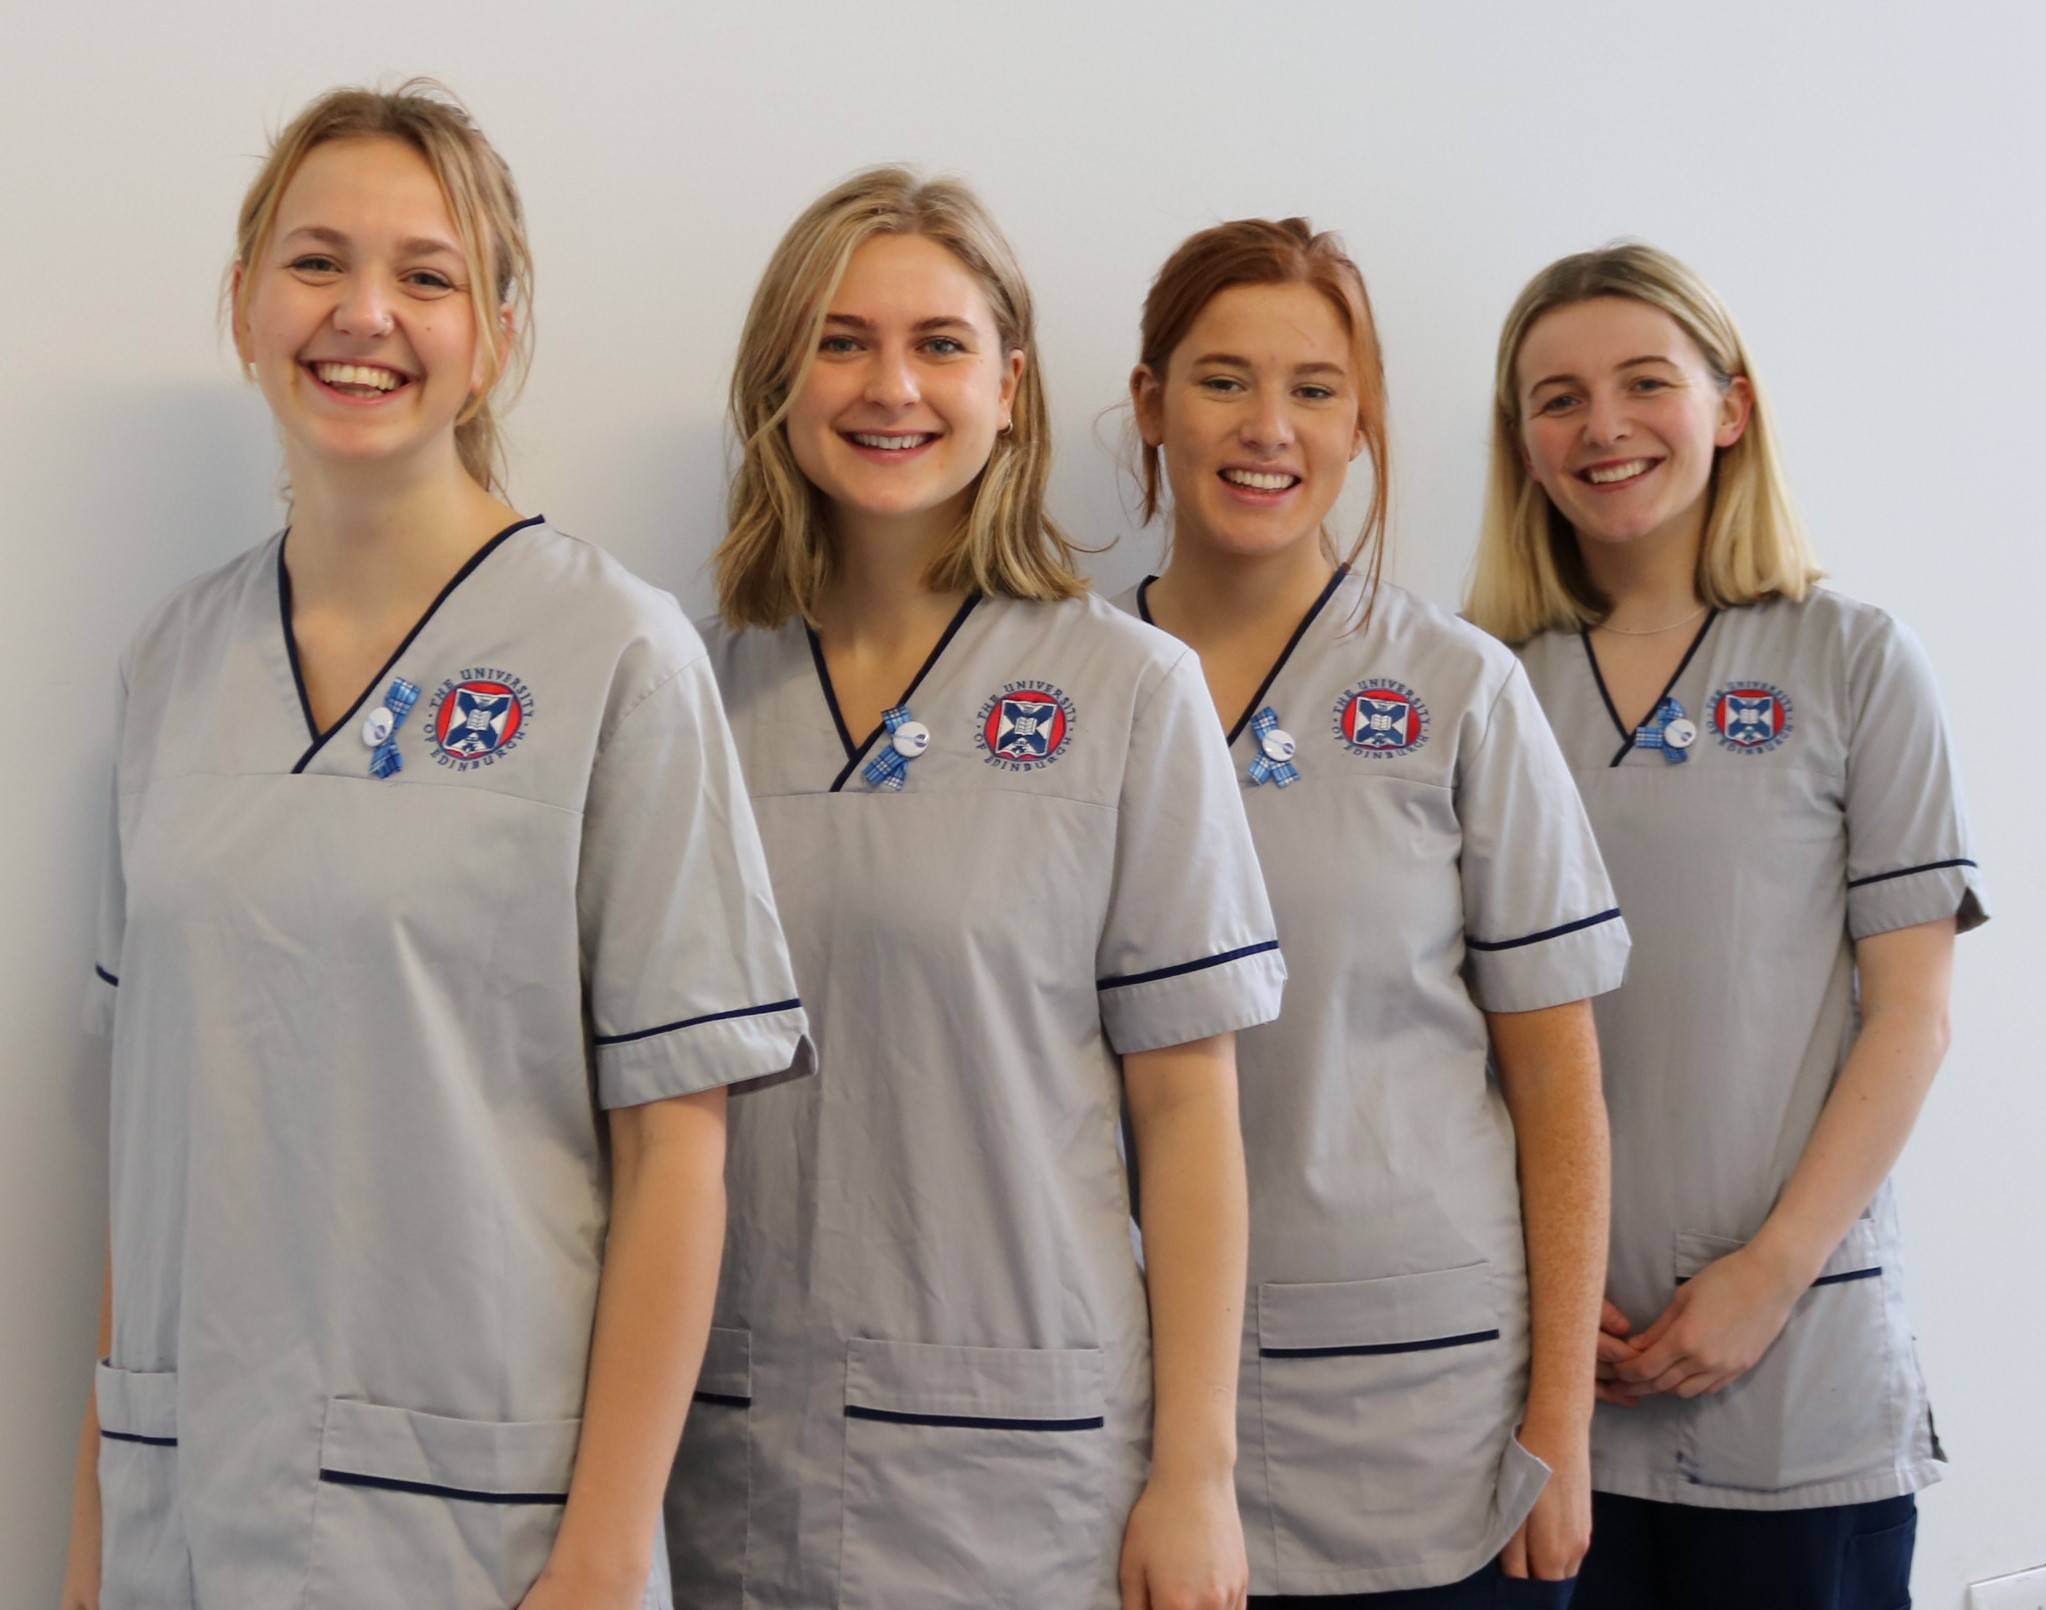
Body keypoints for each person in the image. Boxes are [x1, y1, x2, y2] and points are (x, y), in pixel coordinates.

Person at [61, 81, 809, 1610]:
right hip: (183, 1516)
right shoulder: (172, 665)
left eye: (427, 274)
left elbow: (679, 1148)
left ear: (499, 334)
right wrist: (91, 1534)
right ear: (243, 302)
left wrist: (604, 1552)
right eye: (316, 260)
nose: (363, 315)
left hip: (490, 1540)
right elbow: (153, 1125)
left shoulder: (615, 656)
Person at [664, 167, 1284, 1610]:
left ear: (1011, 386)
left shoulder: (1129, 693)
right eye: (839, 341)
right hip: (732, 1451)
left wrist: (1196, 1472)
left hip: (1027, 1478)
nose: (891, 386)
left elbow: (1188, 1109)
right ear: (776, 380)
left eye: (939, 343)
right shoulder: (682, 692)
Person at [1117, 217, 1627, 1608]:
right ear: (1150, 405)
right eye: (1221, 380)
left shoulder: (1456, 692)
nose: (1266, 427)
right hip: (1124, 1428)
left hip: (1429, 1435)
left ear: (1362, 425)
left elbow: (1559, 1085)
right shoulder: (1062, 694)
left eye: (1316, 388)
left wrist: (1560, 1430)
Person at [1466, 242, 1985, 1610]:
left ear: (1731, 407)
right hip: (1539, 1389)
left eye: (1645, 382)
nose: (1604, 426)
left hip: (1792, 1377)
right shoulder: (1476, 684)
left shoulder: (1851, 658)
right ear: (1518, 442)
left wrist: (1768, 1272)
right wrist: (1540, 1292)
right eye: (1556, 398)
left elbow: (1913, 1014)